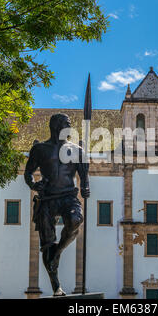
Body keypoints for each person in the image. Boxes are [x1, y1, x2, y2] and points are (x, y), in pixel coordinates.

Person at [24, 113, 90, 296]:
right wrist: (32, 183)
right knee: (47, 243)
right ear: (55, 127)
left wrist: (85, 186)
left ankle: (58, 252)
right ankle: (57, 287)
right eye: (66, 124)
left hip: (68, 196)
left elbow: (84, 175)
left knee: (75, 220)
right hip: (47, 198)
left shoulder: (76, 150)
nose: (69, 128)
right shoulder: (40, 149)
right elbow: (28, 172)